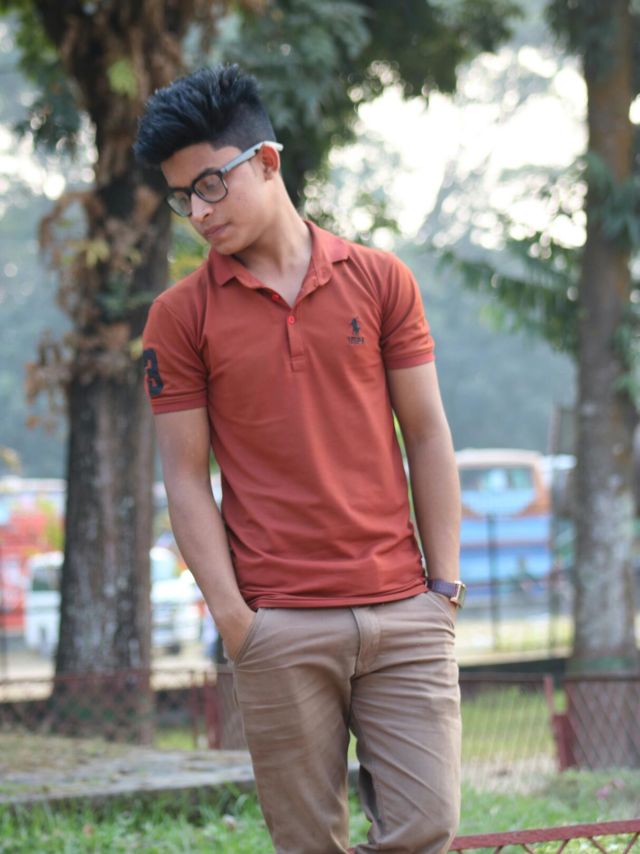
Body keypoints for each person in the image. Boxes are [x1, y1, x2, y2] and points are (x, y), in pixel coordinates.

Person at [135, 64, 465, 854]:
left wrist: (443, 590)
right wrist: (236, 621)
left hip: (404, 612)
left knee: (428, 826)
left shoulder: (380, 281)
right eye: (182, 198)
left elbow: (426, 433)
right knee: (308, 843)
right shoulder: (179, 318)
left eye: (210, 185)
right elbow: (185, 477)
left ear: (267, 161)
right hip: (277, 622)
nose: (198, 213)